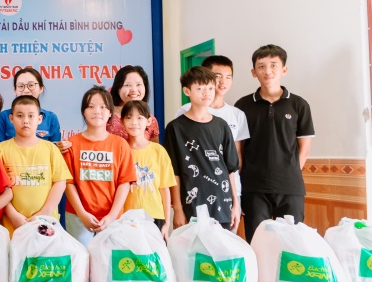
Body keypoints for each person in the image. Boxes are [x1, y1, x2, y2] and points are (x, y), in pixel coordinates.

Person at [234, 44, 314, 241]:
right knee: (258, 241)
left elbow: (304, 147)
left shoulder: (299, 104)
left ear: (284, 70)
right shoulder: (242, 106)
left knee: (292, 243)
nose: (267, 71)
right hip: (253, 188)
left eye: (273, 65)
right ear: (253, 72)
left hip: (290, 188)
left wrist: (289, 173)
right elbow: (239, 150)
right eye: (261, 66)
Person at [164, 66, 240, 232]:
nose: (207, 93)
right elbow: (173, 172)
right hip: (191, 205)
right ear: (187, 91)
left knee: (221, 248)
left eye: (211, 88)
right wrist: (178, 209)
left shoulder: (222, 126)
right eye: (200, 88)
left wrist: (236, 204)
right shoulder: (175, 128)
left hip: (222, 203)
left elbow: (230, 169)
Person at [63, 87, 135, 247]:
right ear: (83, 112)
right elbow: (68, 183)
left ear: (110, 113)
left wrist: (112, 216)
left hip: (113, 217)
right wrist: (82, 214)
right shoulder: (71, 143)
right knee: (81, 259)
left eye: (103, 107)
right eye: (91, 106)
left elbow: (124, 182)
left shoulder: (120, 144)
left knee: (108, 260)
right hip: (78, 216)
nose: (97, 111)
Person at [175, 55, 249, 202]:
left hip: (228, 189)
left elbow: (237, 156)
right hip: (196, 187)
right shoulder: (185, 111)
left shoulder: (237, 114)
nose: (223, 81)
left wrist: (235, 193)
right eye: (218, 76)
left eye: (228, 77)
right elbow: (179, 155)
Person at [0, 96, 72, 235]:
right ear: (11, 118)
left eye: (31, 116)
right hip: (11, 226)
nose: (25, 121)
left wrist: (44, 213)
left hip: (46, 225)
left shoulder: (51, 149)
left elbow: (60, 182)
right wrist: (12, 215)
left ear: (39, 119)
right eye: (20, 116)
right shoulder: (1, 149)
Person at [121, 101, 175, 238]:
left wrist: (167, 222)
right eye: (128, 117)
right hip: (126, 217)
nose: (134, 122)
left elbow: (164, 189)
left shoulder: (159, 151)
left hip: (155, 216)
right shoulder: (120, 150)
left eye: (140, 118)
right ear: (122, 122)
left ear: (149, 121)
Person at [0, 68, 62, 147]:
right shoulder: (5, 116)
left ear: (41, 88)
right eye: (21, 86)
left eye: (31, 85)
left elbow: (55, 150)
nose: (26, 90)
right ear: (15, 90)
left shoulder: (51, 118)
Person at [107, 65, 160, 141]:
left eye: (138, 84)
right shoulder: (107, 116)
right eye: (127, 85)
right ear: (118, 89)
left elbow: (154, 147)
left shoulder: (151, 120)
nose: (134, 90)